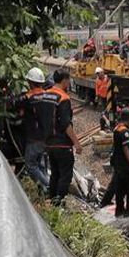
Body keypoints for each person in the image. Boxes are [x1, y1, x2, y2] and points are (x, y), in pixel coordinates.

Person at [44, 69, 83, 205]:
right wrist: (77, 143)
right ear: (65, 81)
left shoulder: (46, 95)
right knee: (65, 176)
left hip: (49, 143)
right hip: (62, 144)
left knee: (54, 174)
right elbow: (66, 124)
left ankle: (50, 200)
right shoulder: (63, 98)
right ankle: (58, 203)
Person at [20, 67, 53, 189]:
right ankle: (45, 192)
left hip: (34, 137)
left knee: (31, 165)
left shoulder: (28, 98)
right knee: (41, 164)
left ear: (30, 82)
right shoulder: (48, 96)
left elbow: (16, 105)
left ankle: (49, 186)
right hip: (47, 137)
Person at [109, 108, 129, 216]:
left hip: (118, 165)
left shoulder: (117, 128)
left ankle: (119, 210)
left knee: (119, 188)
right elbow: (126, 148)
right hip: (126, 165)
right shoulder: (125, 131)